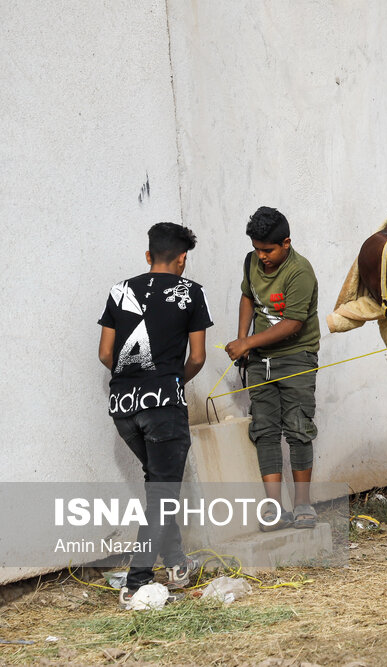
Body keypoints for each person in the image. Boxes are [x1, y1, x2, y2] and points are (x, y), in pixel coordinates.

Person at [98, 222, 213, 608]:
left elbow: (104, 354)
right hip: (163, 406)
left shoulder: (120, 291)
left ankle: (177, 565)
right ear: (182, 259)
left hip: (123, 410)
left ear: (149, 256)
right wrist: (170, 380)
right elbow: (197, 356)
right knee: (163, 492)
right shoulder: (191, 293)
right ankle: (137, 580)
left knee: (158, 488)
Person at [225, 206, 320, 530]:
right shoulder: (252, 262)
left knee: (298, 429)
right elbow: (247, 297)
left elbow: (293, 323)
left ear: (286, 243)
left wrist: (248, 343)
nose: (261, 256)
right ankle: (273, 509)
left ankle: (303, 504)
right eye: (257, 249)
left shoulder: (300, 272)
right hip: (259, 362)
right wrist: (242, 339)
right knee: (264, 431)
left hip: (296, 356)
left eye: (267, 250)